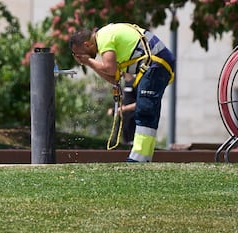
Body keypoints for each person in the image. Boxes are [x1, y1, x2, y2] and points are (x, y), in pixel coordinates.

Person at [69, 23, 175, 162]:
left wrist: (88, 61)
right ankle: (144, 157)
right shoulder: (104, 39)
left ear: (87, 44)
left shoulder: (104, 37)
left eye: (80, 53)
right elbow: (114, 78)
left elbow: (109, 68)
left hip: (156, 63)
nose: (80, 57)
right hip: (155, 64)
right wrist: (89, 63)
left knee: (144, 109)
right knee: (148, 110)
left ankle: (138, 158)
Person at [107, 73, 137, 145]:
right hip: (123, 119)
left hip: (132, 119)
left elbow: (139, 104)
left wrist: (124, 109)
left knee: (131, 142)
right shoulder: (122, 84)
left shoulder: (135, 83)